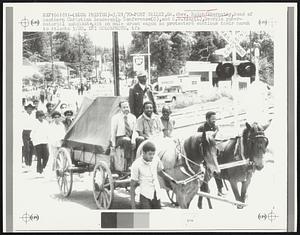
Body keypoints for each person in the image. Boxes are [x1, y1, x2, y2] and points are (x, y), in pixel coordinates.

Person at [130, 141, 178, 209]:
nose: (152, 156)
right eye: (150, 154)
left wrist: (173, 180)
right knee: (146, 218)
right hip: (145, 196)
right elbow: (132, 186)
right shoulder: (136, 164)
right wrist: (133, 206)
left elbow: (160, 173)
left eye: (153, 154)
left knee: (157, 217)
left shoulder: (156, 159)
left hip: (156, 196)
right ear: (143, 153)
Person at [197, 111, 225, 196]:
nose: (214, 120)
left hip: (213, 151)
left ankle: (220, 190)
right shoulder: (201, 128)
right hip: (205, 152)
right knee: (204, 171)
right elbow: (199, 142)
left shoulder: (216, 127)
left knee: (217, 168)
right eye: (212, 119)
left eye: (215, 119)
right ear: (207, 119)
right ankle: (205, 189)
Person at [111, 100, 137, 168]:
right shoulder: (115, 118)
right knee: (127, 140)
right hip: (120, 138)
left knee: (140, 139)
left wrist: (133, 140)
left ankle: (137, 160)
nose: (126, 109)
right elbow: (113, 132)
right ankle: (127, 162)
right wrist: (113, 145)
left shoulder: (133, 117)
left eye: (127, 107)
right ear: (120, 109)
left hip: (130, 136)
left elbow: (134, 131)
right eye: (124, 107)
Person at [31, 110, 50, 175]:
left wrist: (48, 139)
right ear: (37, 117)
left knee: (47, 156)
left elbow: (48, 131)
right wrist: (33, 141)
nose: (41, 117)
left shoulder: (46, 122)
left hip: (45, 141)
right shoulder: (34, 122)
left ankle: (43, 167)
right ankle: (39, 171)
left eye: (42, 115)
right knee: (39, 157)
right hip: (37, 142)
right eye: (40, 116)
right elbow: (32, 133)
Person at [22, 102, 36, 168]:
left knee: (31, 148)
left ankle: (30, 163)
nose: (29, 110)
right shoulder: (23, 115)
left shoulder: (34, 115)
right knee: (26, 148)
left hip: (32, 133)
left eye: (31, 108)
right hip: (25, 132)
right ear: (26, 109)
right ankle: (26, 162)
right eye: (28, 108)